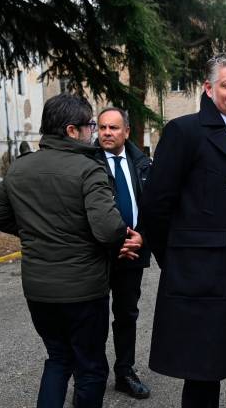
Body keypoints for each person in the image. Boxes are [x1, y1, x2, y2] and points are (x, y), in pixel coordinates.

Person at [140, 52, 226, 408]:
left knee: (214, 368)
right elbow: (156, 206)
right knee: (201, 371)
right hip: (202, 274)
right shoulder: (185, 131)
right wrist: (177, 261)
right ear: (208, 88)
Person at [0, 93, 138, 408]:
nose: (93, 132)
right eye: (90, 126)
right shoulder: (88, 168)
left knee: (58, 358)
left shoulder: (20, 168)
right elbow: (108, 228)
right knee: (91, 367)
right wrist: (123, 236)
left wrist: (33, 231)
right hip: (82, 290)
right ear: (71, 130)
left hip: (39, 290)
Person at [94, 107, 152, 399]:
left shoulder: (141, 163)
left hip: (133, 253)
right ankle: (91, 375)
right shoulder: (87, 162)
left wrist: (143, 236)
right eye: (102, 127)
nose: (107, 133)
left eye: (113, 128)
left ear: (126, 132)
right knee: (93, 316)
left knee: (127, 314)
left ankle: (124, 372)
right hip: (98, 255)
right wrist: (116, 242)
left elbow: (153, 205)